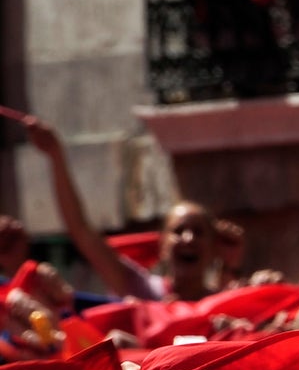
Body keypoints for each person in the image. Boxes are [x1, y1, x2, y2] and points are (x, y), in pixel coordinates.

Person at [20, 115, 219, 302]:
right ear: (163, 245)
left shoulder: (225, 303)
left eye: (199, 232)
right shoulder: (141, 290)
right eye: (178, 231)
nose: (188, 238)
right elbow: (81, 231)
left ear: (213, 248)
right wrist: (56, 155)